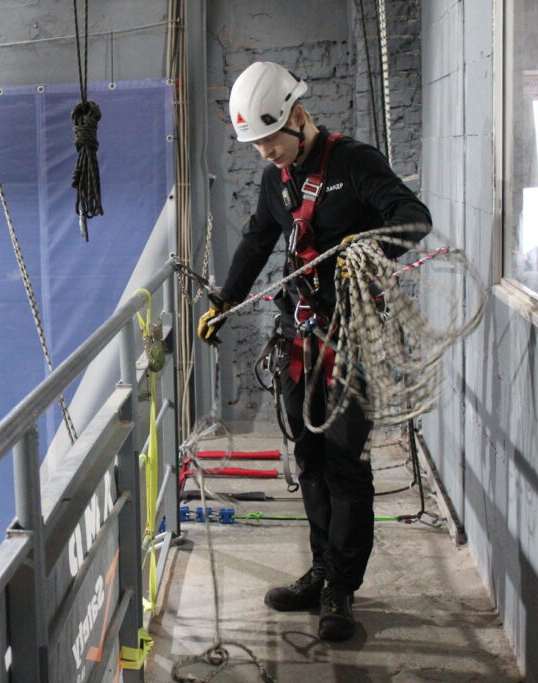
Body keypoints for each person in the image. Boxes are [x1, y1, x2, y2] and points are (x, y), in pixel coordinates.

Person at [197, 62, 432, 641]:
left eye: (271, 141)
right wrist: (225, 300)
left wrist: (366, 245)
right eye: (256, 146)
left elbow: (413, 219)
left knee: (344, 464)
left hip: (351, 338)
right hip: (300, 340)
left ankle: (341, 590)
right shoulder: (276, 180)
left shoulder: (353, 163)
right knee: (308, 458)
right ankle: (321, 568)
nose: (266, 154)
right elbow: (258, 238)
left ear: (298, 119)